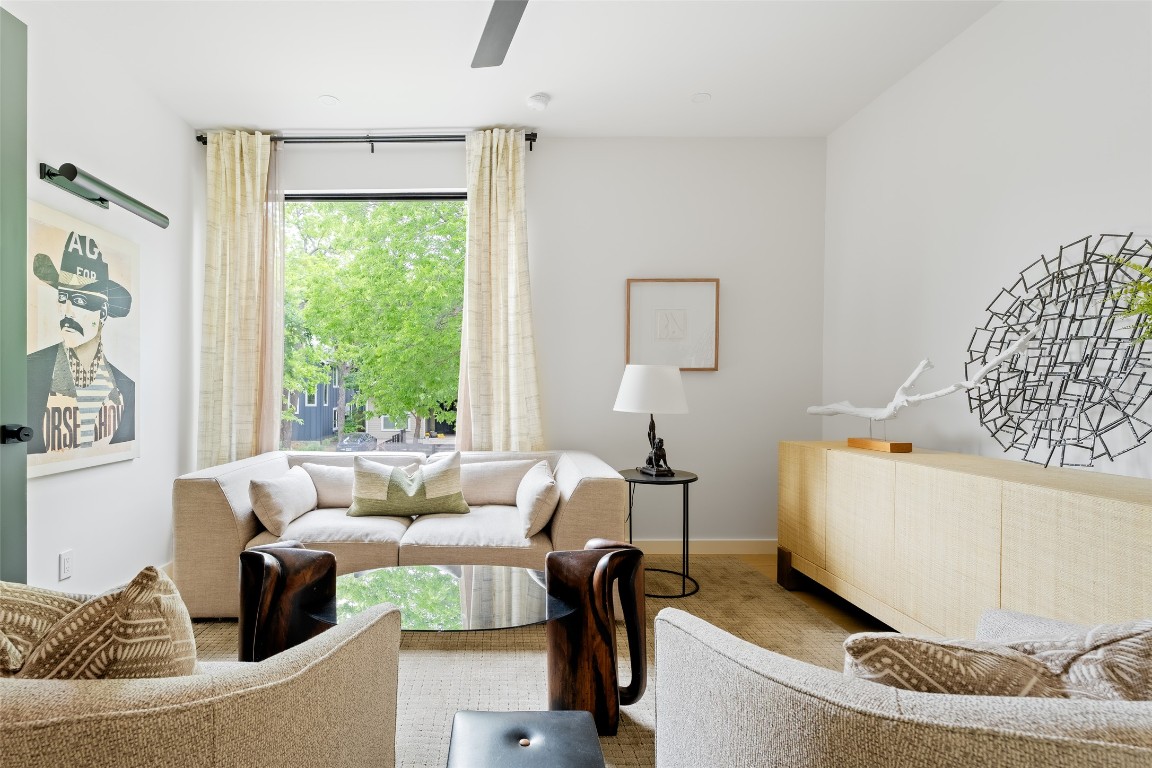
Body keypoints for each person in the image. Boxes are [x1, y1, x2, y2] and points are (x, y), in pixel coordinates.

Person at [27, 231, 135, 454]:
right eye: (62, 298)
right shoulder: (28, 371)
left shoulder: (125, 388)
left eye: (79, 301)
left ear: (102, 313)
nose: (67, 311)